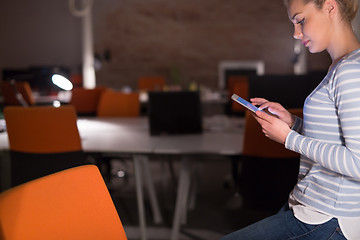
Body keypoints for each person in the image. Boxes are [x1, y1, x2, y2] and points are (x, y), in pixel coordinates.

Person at [221, 0, 360, 239]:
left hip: (328, 216)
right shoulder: (340, 66)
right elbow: (336, 139)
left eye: (300, 20)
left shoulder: (349, 71)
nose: (296, 34)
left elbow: (357, 162)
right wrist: (292, 123)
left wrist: (289, 139)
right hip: (312, 206)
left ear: (329, 7)